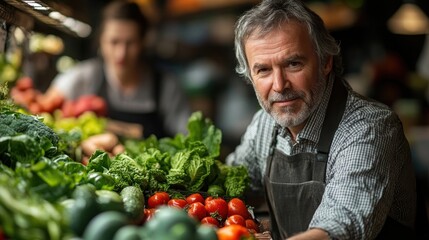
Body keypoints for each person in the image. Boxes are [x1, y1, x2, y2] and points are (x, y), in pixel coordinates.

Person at [226, 0, 417, 239]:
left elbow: (338, 229)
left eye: (293, 64)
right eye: (263, 70)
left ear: (326, 61)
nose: (279, 86)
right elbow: (231, 187)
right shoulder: (264, 124)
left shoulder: (369, 128)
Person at [41, 0, 191, 138]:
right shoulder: (83, 77)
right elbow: (44, 109)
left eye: (130, 43)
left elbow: (187, 137)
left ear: (143, 42)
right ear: (101, 41)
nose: (122, 54)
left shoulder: (166, 87)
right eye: (114, 42)